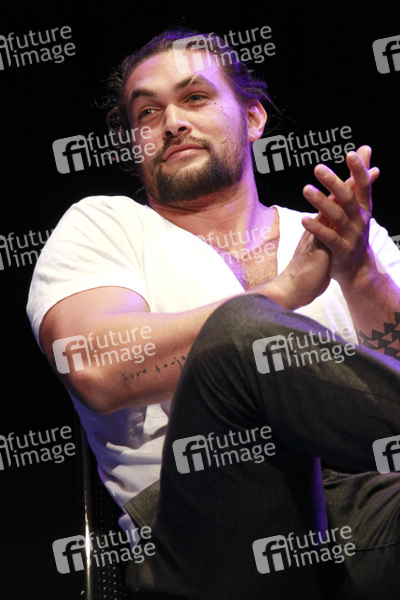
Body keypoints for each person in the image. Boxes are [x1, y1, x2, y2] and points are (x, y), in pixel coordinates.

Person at [27, 29, 400, 598]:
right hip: (204, 524)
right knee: (238, 335)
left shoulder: (343, 236)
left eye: (195, 97)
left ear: (252, 118)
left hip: (367, 506)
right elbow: (92, 365)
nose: (171, 122)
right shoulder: (106, 225)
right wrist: (282, 292)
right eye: (147, 113)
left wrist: (363, 277)